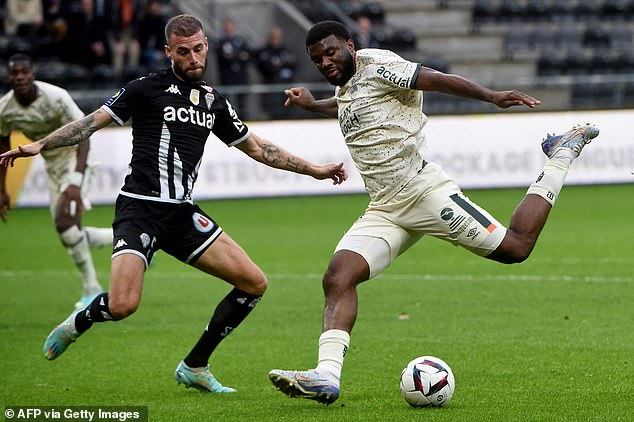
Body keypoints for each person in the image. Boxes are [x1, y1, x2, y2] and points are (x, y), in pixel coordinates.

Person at [0, 15, 348, 393]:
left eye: (199, 49)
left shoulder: (214, 101)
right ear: (169, 52)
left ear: (206, 46)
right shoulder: (145, 89)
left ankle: (195, 365)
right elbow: (90, 123)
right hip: (139, 210)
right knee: (122, 306)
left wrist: (313, 169)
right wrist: (40, 144)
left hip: (181, 213)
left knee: (253, 283)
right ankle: (79, 321)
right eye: (184, 52)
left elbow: (257, 147)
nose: (194, 58)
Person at [267, 20, 600, 405]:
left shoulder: (377, 65)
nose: (325, 62)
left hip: (423, 192)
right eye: (317, 59)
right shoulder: (346, 86)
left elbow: (436, 79)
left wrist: (491, 96)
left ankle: (561, 153)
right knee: (337, 278)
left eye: (330, 52)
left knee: (516, 247)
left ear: (349, 45)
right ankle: (326, 376)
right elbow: (348, 104)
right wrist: (312, 104)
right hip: (384, 207)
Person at [0, 54, 113, 309]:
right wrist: (2, 190)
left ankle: (92, 288)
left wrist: (75, 181)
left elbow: (84, 133)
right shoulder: (5, 109)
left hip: (78, 159)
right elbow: (3, 142)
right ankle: (127, 242)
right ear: (8, 78)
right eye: (14, 73)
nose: (19, 77)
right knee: (68, 233)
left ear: (32, 74)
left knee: (65, 223)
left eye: (24, 72)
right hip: (52, 166)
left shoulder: (56, 97)